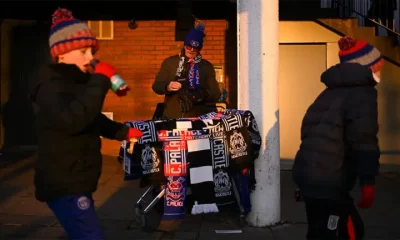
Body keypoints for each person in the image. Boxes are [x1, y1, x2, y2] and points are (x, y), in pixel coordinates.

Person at [29, 8, 144, 240]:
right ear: (61, 54)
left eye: (92, 51)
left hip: (78, 178)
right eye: (83, 50)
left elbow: (92, 117)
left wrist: (122, 131)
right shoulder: (50, 84)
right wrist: (100, 81)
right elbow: (72, 120)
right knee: (89, 235)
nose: (90, 57)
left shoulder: (77, 83)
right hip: (63, 181)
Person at [292, 36, 382, 240]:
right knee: (345, 232)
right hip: (329, 182)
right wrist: (368, 181)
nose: (379, 72)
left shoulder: (328, 94)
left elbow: (308, 132)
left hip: (310, 179)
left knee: (320, 231)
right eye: (377, 67)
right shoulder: (362, 94)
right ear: (366, 67)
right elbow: (363, 140)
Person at [152, 22, 221, 119]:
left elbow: (216, 93)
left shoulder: (206, 66)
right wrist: (167, 87)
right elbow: (156, 86)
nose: (191, 50)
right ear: (184, 45)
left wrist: (201, 95)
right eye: (189, 46)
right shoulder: (170, 62)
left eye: (195, 48)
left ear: (199, 49)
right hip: (173, 115)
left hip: (199, 117)